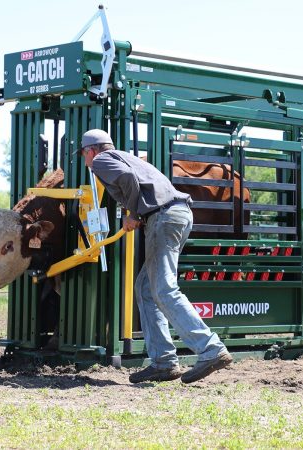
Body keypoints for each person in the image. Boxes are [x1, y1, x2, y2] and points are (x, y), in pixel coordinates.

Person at [75, 129, 233, 383]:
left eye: (84, 154)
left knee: (164, 289)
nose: (85, 161)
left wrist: (134, 214)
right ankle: (164, 362)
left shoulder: (102, 161)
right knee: (147, 289)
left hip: (163, 217)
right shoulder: (127, 156)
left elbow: (127, 179)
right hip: (177, 214)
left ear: (91, 150)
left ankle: (210, 349)